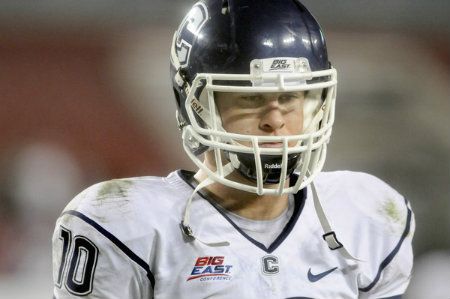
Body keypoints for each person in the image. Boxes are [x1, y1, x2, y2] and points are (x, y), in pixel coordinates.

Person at [52, 0, 414, 298]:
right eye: (250, 98)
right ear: (195, 106)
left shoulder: (367, 217)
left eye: (290, 97)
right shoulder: (125, 224)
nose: (275, 119)